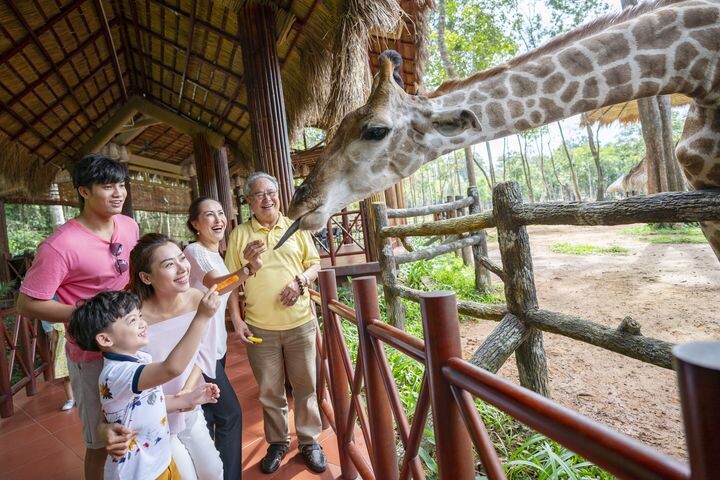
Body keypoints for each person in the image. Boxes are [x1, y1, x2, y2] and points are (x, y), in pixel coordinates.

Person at [17, 153, 139, 479]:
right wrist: (91, 314)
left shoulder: (129, 226)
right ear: (83, 191)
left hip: (133, 344)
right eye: (107, 186)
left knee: (138, 422)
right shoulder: (61, 245)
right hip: (90, 355)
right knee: (99, 440)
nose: (118, 193)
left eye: (121, 185)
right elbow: (27, 304)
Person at [225, 172, 326, 474]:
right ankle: (278, 442)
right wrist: (237, 319)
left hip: (300, 323)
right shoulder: (239, 235)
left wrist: (300, 281)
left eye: (271, 192)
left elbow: (315, 264)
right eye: (259, 195)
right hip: (259, 327)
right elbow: (231, 282)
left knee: (306, 386)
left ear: (279, 195)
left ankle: (309, 442)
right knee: (269, 391)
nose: (267, 199)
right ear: (249, 202)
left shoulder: (296, 227)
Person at [68, 289, 221, 480]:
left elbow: (149, 403)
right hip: (139, 474)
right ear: (105, 339)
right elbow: (171, 368)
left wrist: (187, 400)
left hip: (161, 461)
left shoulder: (139, 358)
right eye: (132, 320)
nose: (142, 323)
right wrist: (202, 317)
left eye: (140, 316)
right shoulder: (117, 374)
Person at [184, 197, 266, 479]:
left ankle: (208, 473)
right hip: (200, 351)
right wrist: (248, 268)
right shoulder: (194, 251)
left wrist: (238, 320)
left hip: (215, 346)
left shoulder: (216, 253)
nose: (219, 220)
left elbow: (228, 289)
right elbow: (219, 286)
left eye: (221, 214)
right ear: (195, 224)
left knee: (208, 415)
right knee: (230, 415)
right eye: (209, 215)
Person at [41, 320, 75, 410]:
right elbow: (54, 341)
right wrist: (53, 356)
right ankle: (70, 399)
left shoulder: (73, 321)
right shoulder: (57, 325)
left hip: (74, 351)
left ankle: (80, 396)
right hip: (62, 353)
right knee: (67, 377)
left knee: (78, 375)